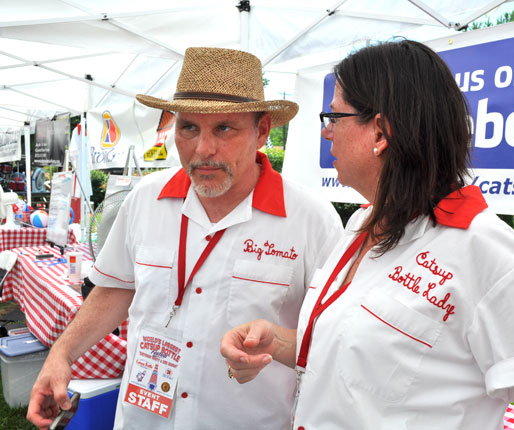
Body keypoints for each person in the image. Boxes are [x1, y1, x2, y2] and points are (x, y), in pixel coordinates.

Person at [220, 40, 514, 429]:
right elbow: (352, 353)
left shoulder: (483, 251)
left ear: (380, 132)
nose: (327, 134)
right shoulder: (363, 223)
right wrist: (274, 341)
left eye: (334, 117)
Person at [27, 47, 343, 430]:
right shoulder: (145, 198)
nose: (202, 149)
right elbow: (115, 288)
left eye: (224, 128)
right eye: (188, 127)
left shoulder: (311, 219)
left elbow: (334, 337)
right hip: (144, 420)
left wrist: (276, 343)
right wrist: (61, 353)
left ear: (262, 131)